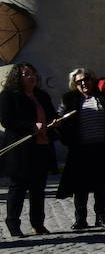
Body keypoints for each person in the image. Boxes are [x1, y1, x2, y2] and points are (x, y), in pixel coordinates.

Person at [0, 62, 58, 238]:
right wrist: (32, 127)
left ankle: (38, 223)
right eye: (26, 74)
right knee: (18, 188)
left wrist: (55, 123)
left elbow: (51, 115)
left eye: (32, 73)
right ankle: (13, 224)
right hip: (21, 150)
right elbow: (7, 121)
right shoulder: (9, 96)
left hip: (41, 147)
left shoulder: (42, 95)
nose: (31, 77)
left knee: (38, 188)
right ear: (18, 77)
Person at [56, 69, 105, 230]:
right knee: (80, 187)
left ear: (92, 80)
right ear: (74, 84)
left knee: (100, 186)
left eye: (86, 79)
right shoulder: (69, 99)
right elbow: (61, 119)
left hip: (102, 148)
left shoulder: (103, 97)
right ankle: (80, 218)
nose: (83, 83)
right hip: (81, 149)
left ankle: (101, 217)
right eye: (79, 81)